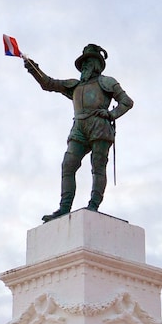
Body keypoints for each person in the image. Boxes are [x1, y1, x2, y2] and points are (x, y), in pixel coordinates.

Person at [24, 44, 134, 222]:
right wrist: (33, 68)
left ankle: (94, 205)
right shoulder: (74, 85)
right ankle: (64, 207)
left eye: (87, 62)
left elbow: (127, 102)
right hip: (79, 127)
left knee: (97, 166)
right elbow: (48, 83)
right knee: (68, 164)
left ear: (96, 64)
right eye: (82, 63)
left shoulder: (107, 82)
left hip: (99, 125)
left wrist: (112, 114)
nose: (84, 66)